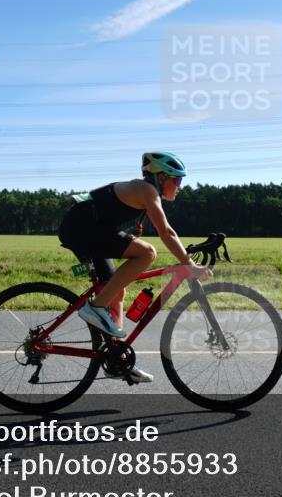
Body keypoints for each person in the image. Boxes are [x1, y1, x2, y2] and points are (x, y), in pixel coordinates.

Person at [57, 151, 213, 383]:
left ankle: (117, 359)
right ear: (161, 177)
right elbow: (166, 232)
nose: (180, 186)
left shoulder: (145, 191)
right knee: (147, 252)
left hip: (90, 227)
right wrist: (189, 265)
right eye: (177, 180)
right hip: (82, 228)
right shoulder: (147, 190)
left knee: (116, 291)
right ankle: (95, 308)